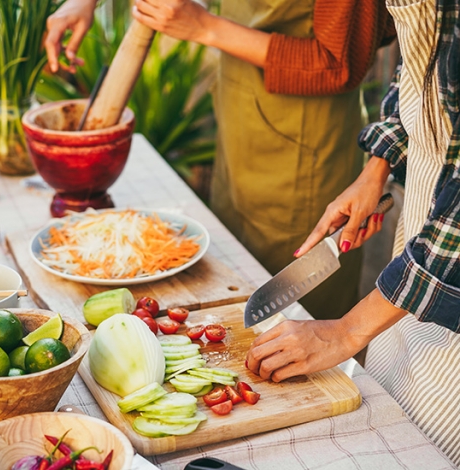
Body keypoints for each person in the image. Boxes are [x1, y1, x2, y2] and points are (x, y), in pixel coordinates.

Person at [44, 0, 396, 321]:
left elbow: (338, 64)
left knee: (299, 319)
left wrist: (205, 27)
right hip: (243, 121)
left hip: (304, 149)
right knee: (235, 283)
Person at [246, 0, 460, 464]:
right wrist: (376, 169)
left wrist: (344, 333)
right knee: (385, 409)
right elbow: (419, 63)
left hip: (449, 267)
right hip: (424, 237)